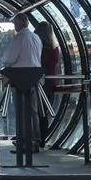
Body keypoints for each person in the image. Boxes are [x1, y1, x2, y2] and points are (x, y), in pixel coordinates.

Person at [2, 13, 44, 151]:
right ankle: (35, 140)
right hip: (35, 77)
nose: (14, 26)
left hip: (19, 78)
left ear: (19, 24)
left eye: (15, 23)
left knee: (21, 111)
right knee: (33, 110)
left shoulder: (19, 38)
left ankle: (24, 142)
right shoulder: (36, 37)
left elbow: (8, 58)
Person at [34, 21, 59, 149]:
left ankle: (35, 138)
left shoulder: (38, 49)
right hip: (50, 83)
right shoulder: (55, 49)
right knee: (44, 113)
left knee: (35, 112)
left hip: (37, 82)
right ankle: (42, 138)